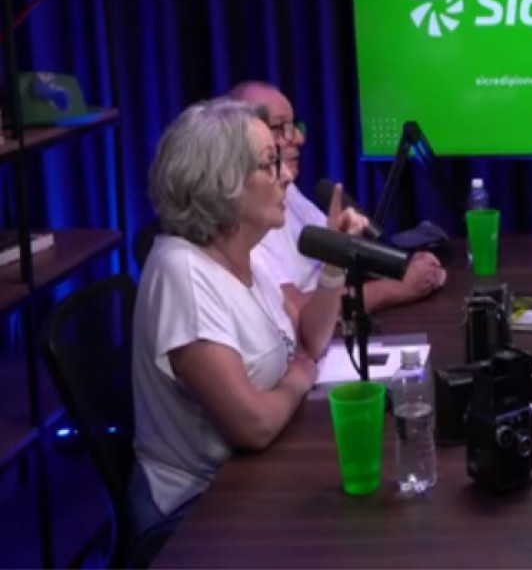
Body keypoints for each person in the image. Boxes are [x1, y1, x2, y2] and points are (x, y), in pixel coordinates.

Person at [129, 99, 366, 566]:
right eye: (269, 164)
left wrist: (335, 259)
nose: (287, 176)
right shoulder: (183, 275)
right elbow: (252, 426)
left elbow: (312, 340)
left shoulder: (245, 252)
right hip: (194, 513)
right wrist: (297, 378)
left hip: (253, 478)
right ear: (223, 181)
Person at [226, 81, 446, 317]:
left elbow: (341, 255)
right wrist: (400, 286)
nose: (299, 138)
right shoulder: (241, 221)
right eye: (281, 127)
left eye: (295, 126)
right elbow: (294, 310)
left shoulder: (288, 191)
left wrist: (402, 265)